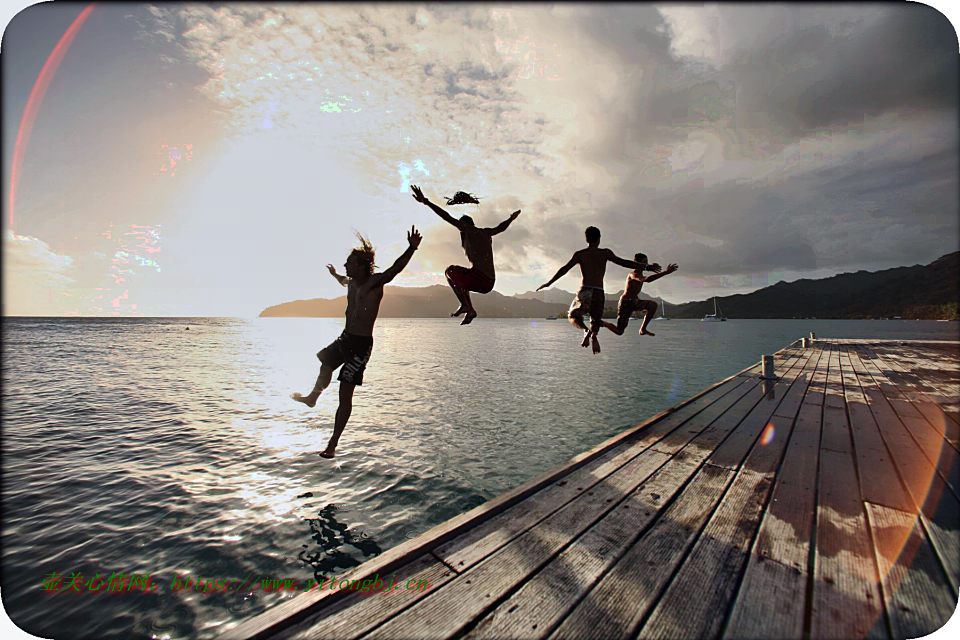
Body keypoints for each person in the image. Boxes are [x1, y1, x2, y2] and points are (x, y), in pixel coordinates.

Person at [292, 226, 423, 458]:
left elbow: (395, 269)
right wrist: (334, 274)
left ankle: (332, 444)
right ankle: (313, 397)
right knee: (325, 362)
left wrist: (411, 248)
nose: (345, 266)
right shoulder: (350, 283)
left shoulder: (373, 284)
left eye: (349, 262)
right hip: (345, 338)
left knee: (345, 393)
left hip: (360, 345)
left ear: (361, 266)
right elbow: (342, 279)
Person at [536, 227, 660, 354]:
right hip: (599, 292)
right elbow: (624, 263)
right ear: (599, 238)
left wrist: (548, 283)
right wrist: (647, 267)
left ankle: (585, 331)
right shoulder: (605, 253)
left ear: (586, 239)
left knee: (572, 315)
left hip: (585, 290)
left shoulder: (580, 254)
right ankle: (594, 334)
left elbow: (564, 269)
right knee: (595, 320)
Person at [410, 184, 519, 325]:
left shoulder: (468, 230)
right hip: (489, 283)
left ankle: (466, 305)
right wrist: (511, 218)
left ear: (463, 226)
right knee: (462, 280)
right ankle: (470, 309)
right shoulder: (485, 233)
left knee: (450, 271)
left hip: (480, 278)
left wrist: (426, 201)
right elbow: (500, 228)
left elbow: (447, 217)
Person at [600, 255, 678, 337]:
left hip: (635, 301)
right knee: (619, 331)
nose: (646, 264)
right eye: (644, 262)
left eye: (646, 262)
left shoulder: (640, 273)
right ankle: (602, 323)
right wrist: (666, 272)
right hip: (625, 303)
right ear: (637, 263)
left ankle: (643, 329)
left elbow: (637, 287)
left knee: (653, 305)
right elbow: (647, 280)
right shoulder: (634, 274)